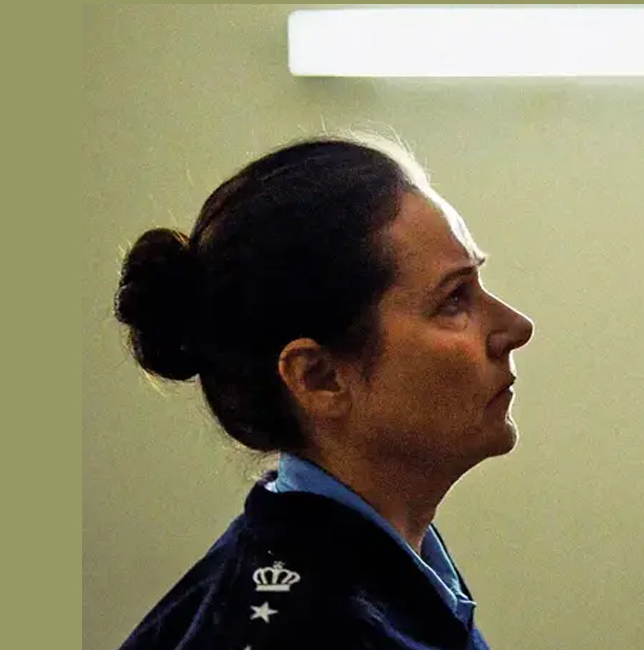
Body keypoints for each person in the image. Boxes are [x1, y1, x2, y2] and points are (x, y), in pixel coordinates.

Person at [111, 134, 535, 650]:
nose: (516, 327)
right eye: (453, 300)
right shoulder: (309, 633)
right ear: (318, 378)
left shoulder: (383, 557)